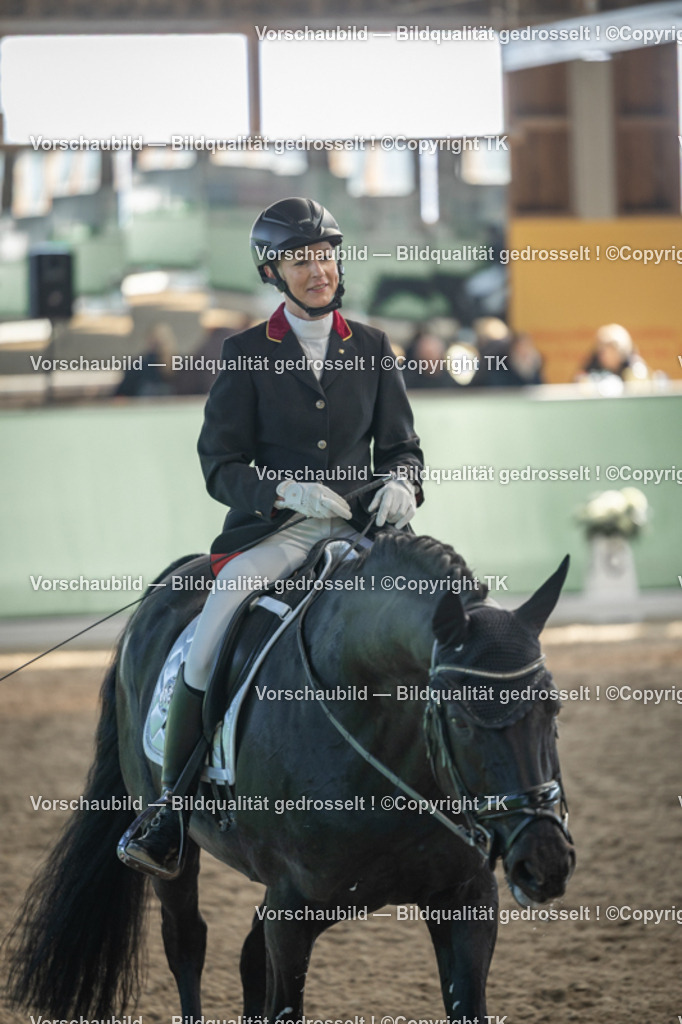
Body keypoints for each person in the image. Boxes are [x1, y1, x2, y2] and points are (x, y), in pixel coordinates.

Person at [119, 197, 425, 878]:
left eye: (324, 255)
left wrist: (404, 482)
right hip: (280, 534)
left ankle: (448, 788)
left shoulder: (372, 347)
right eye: (299, 259)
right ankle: (173, 805)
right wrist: (282, 491)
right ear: (272, 270)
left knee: (438, 614)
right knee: (221, 610)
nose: (317, 269)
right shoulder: (247, 353)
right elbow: (220, 465)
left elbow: (403, 446)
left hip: (359, 531)